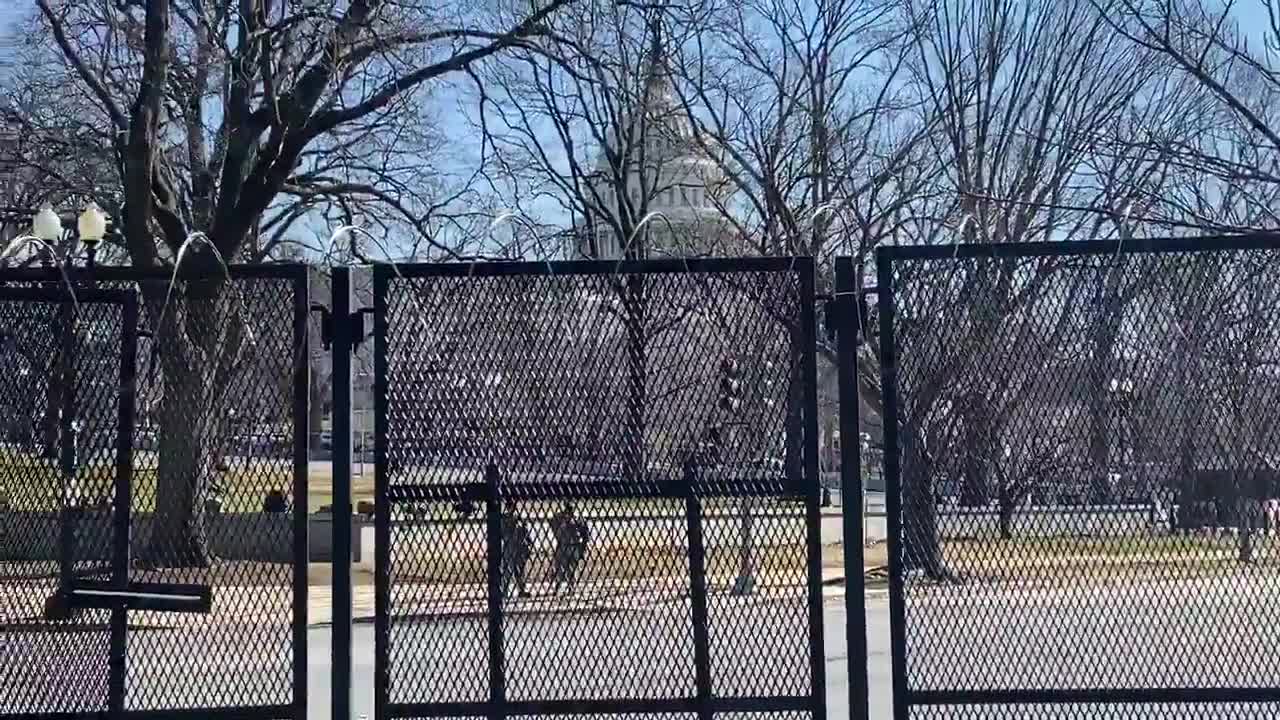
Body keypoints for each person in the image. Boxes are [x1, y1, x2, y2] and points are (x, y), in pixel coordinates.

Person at [550, 502, 590, 595]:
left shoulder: (577, 520)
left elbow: (585, 535)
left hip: (573, 546)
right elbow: (554, 526)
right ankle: (559, 586)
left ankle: (570, 587)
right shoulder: (561, 519)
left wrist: (583, 548)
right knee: (560, 567)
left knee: (571, 568)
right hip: (564, 546)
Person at [500, 502, 532, 599]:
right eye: (511, 507)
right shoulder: (503, 519)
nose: (513, 509)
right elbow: (501, 533)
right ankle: (504, 592)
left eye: (514, 507)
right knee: (507, 570)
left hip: (519, 547)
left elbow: (525, 533)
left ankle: (521, 590)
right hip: (509, 546)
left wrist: (528, 544)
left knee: (520, 570)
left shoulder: (519, 519)